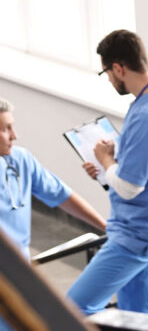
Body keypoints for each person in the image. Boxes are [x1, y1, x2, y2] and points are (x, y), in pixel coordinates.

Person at [67, 30, 148, 316]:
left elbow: (131, 187)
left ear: (119, 68)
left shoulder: (146, 115)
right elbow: (147, 166)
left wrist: (107, 161)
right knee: (137, 316)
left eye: (106, 72)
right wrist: (107, 169)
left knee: (73, 308)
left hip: (136, 235)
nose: (108, 79)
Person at [0, 97, 106, 259]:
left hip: (19, 265)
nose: (14, 135)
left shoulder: (20, 159)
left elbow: (62, 195)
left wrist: (106, 227)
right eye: (6, 129)